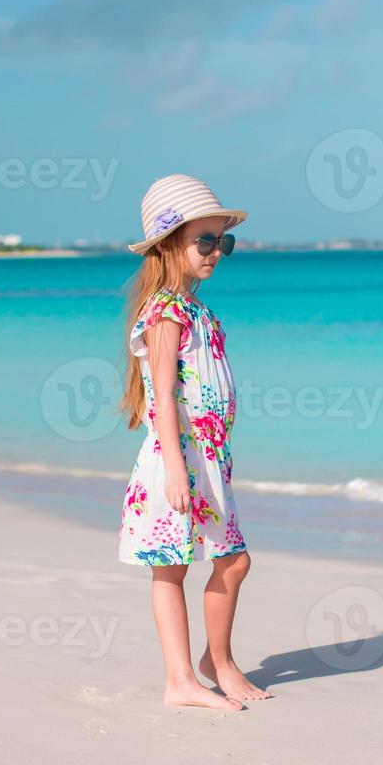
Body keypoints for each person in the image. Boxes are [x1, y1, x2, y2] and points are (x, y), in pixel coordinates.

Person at [118, 174, 270, 710]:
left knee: (224, 560)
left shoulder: (197, 309)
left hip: (206, 459)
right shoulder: (165, 310)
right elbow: (161, 393)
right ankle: (188, 676)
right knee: (188, 563)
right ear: (169, 245)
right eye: (204, 241)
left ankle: (212, 664)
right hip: (176, 460)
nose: (216, 252)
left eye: (221, 242)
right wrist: (178, 469)